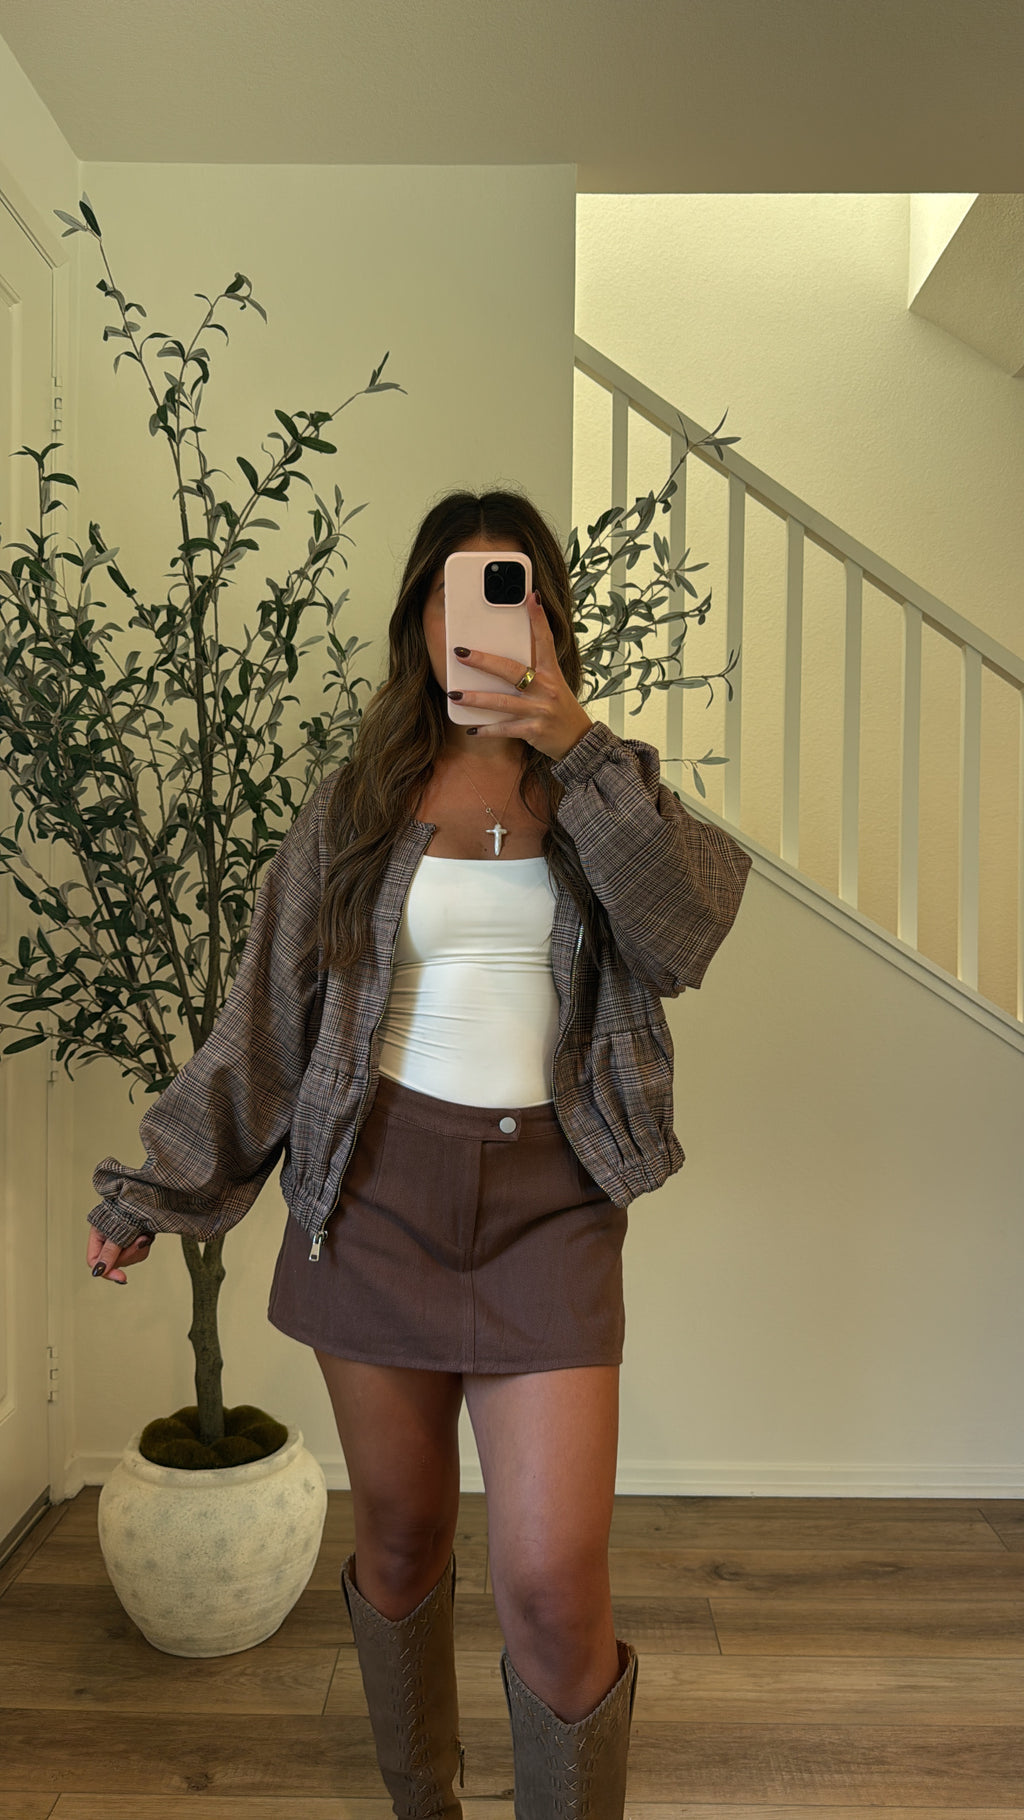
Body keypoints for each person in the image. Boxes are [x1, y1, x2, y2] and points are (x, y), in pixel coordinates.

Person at [86, 489, 753, 1819]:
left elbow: (688, 930)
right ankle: (424, 1802)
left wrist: (571, 738)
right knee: (399, 1540)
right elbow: (266, 1022)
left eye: (513, 593)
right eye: (460, 594)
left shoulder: (605, 787)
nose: (483, 623)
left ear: (548, 617)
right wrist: (153, 1191)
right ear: (423, 620)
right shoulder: (357, 803)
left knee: (554, 1586)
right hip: (376, 1199)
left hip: (552, 1213)